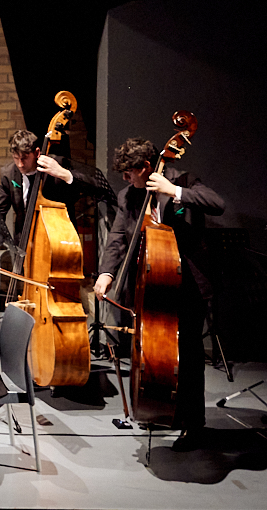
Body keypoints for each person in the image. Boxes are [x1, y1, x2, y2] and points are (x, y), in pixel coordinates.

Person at [94, 136, 226, 443]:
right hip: (148, 284)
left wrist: (174, 192)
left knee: (188, 355)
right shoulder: (128, 195)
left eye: (129, 172)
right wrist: (106, 273)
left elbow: (217, 204)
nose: (124, 178)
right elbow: (118, 237)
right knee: (151, 353)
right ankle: (160, 409)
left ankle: (194, 423)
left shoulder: (183, 181)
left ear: (145, 167)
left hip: (187, 284)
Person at [0, 128, 77, 252]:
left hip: (55, 242)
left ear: (37, 153)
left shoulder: (56, 166)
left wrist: (65, 175)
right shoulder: (9, 174)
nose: (20, 164)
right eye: (16, 158)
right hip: (23, 244)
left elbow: (78, 193)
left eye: (24, 158)